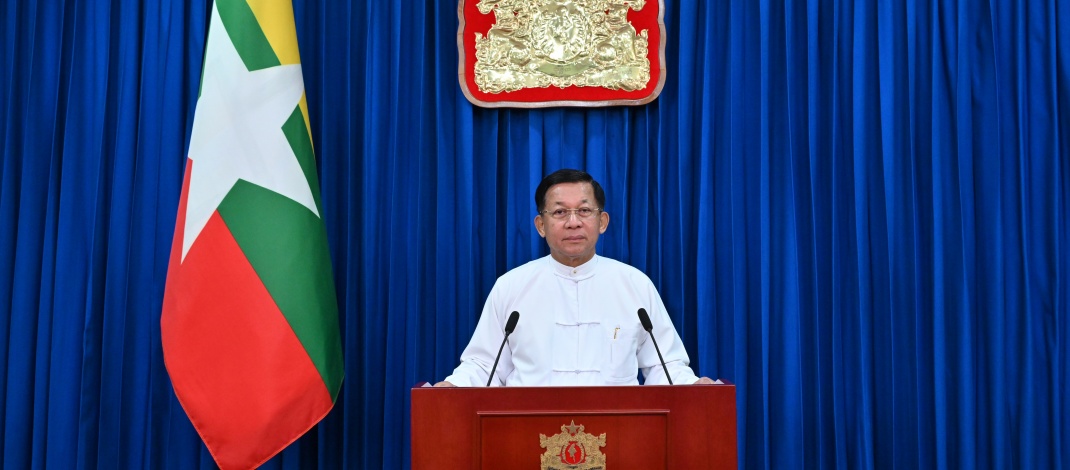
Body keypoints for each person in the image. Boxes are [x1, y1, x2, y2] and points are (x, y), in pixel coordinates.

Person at [435, 169, 715, 387]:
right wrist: (453, 386)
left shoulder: (634, 284)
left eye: (584, 210)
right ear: (541, 225)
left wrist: (692, 385)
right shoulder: (511, 287)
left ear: (602, 222)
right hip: (528, 433)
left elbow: (663, 366)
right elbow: (485, 367)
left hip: (617, 434)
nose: (573, 222)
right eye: (559, 212)